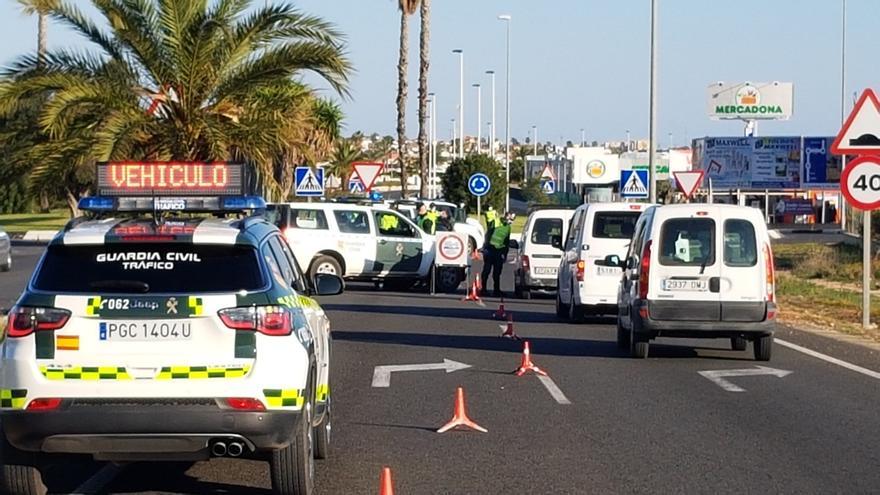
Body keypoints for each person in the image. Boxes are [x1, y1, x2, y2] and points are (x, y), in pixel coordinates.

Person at [481, 212, 513, 297]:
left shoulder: (508, 228)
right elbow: (489, 223)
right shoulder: (496, 222)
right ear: (505, 216)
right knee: (486, 270)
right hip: (490, 249)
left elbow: (506, 242)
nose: (510, 221)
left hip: (499, 251)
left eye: (512, 219)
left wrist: (505, 254)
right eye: (509, 218)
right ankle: (483, 289)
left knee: (497, 272)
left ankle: (496, 290)